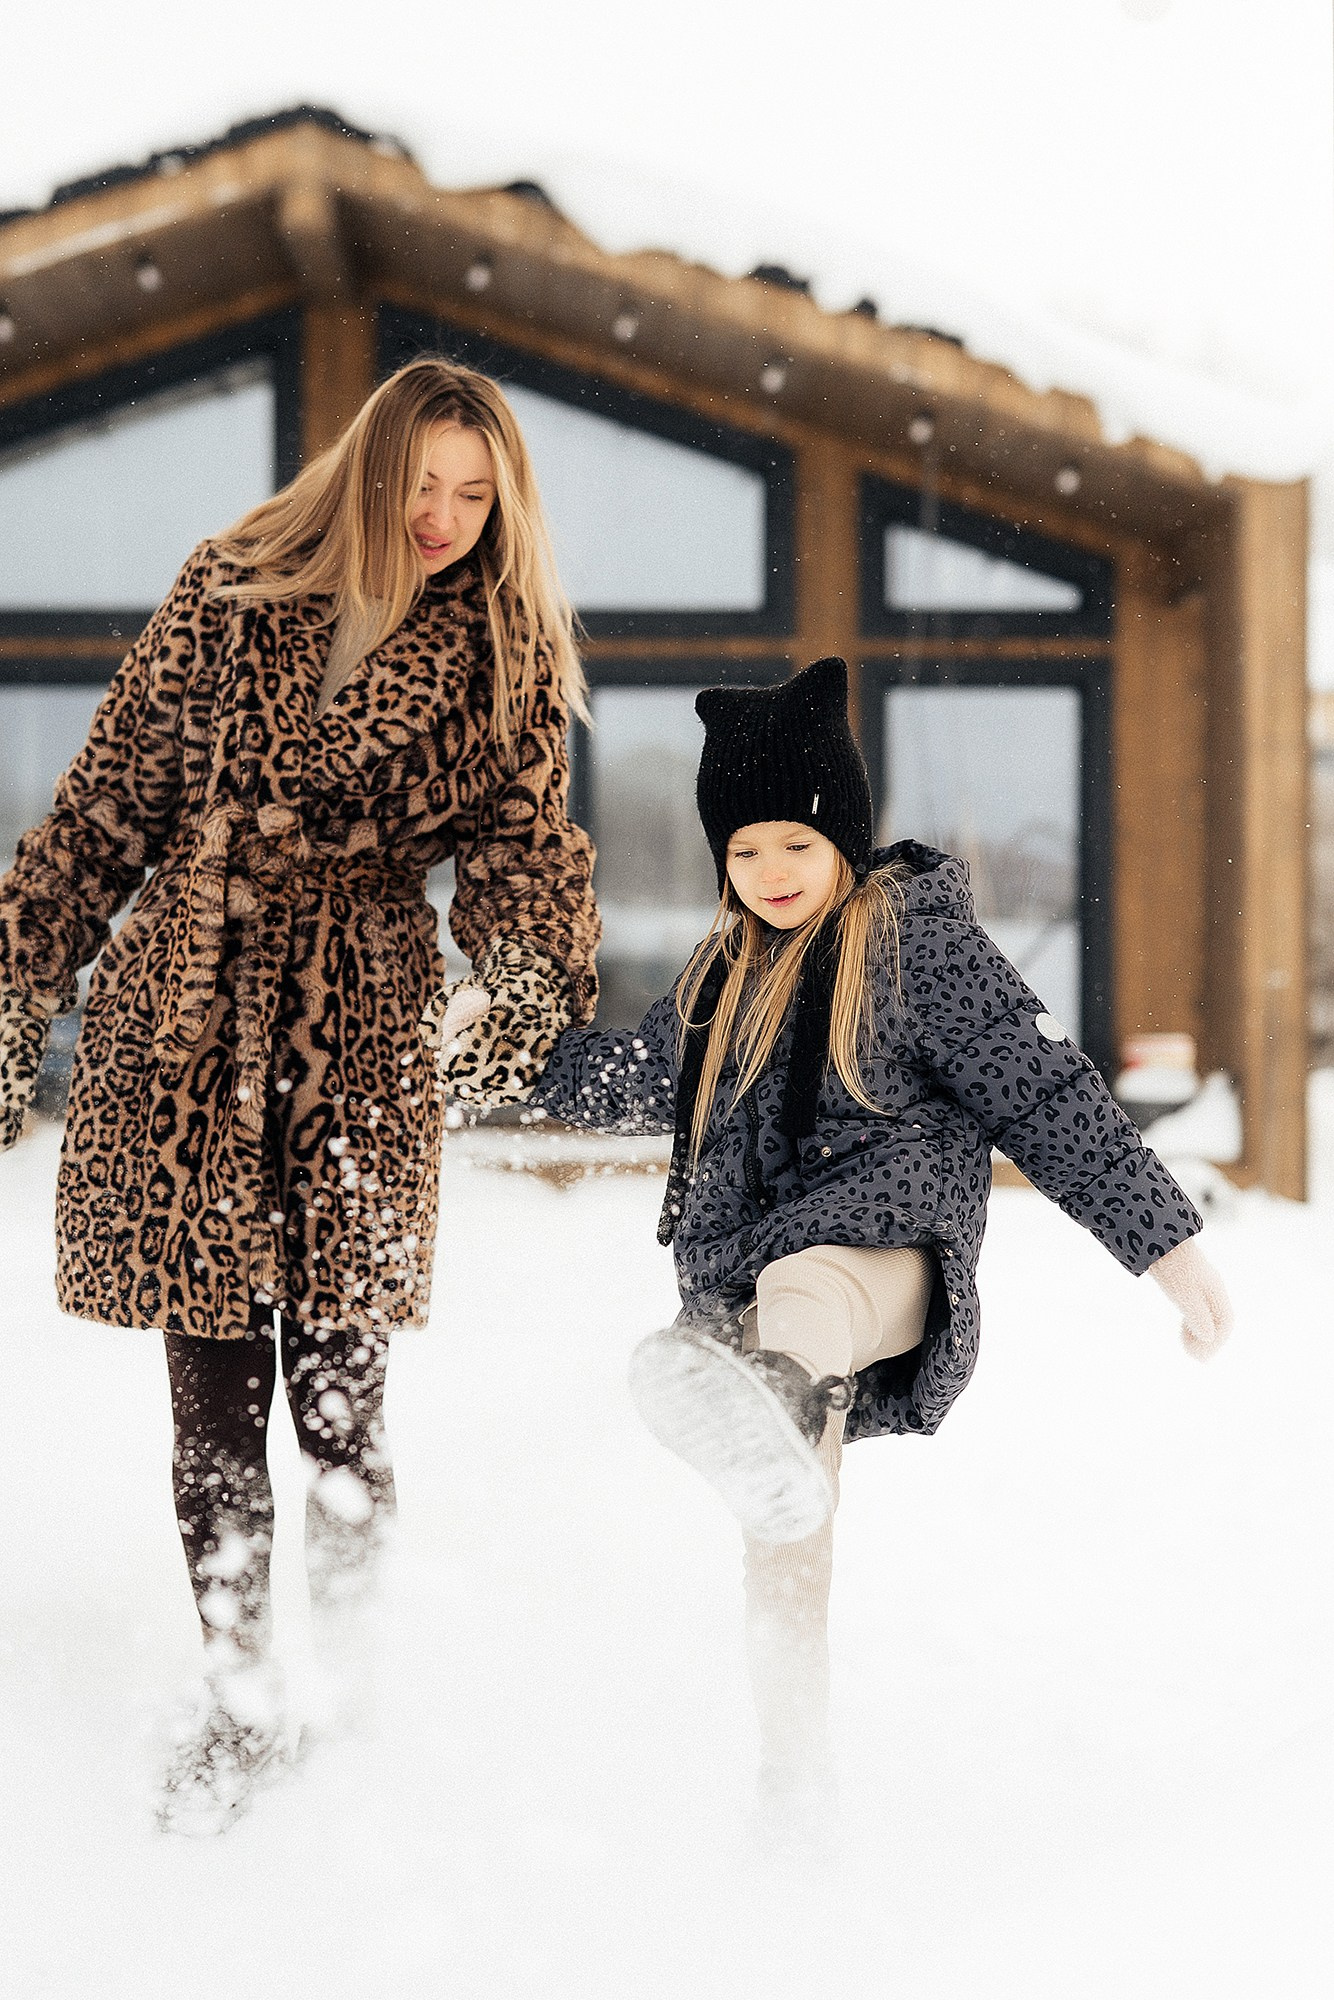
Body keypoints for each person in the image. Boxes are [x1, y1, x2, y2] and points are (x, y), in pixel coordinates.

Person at [476, 655, 1231, 1850]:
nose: (769, 871)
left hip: (887, 1268)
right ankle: (793, 1780)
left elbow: (1046, 1095)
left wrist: (1168, 1251)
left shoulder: (920, 950)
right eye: (743, 850)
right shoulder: (721, 976)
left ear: (842, 834)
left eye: (794, 842)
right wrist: (498, 1055)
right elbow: (629, 1077)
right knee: (785, 1536)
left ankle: (769, 1394)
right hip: (756, 1312)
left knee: (805, 1283)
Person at [0, 357, 600, 1832]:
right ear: (368, 473)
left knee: (340, 1399)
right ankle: (240, 1704)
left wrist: (520, 987)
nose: (445, 517)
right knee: (213, 1403)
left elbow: (524, 856)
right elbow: (103, 810)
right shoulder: (226, 591)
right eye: (424, 485)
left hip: (359, 1038)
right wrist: (15, 987)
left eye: (476, 495)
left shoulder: (504, 653)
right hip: (188, 1030)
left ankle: (352, 1703)